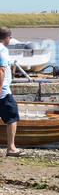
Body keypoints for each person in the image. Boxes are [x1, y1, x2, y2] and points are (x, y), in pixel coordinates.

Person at [0, 27, 20, 156]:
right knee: (12, 116)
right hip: (3, 92)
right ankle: (11, 148)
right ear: (7, 37)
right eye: (10, 37)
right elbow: (1, 70)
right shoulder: (2, 50)